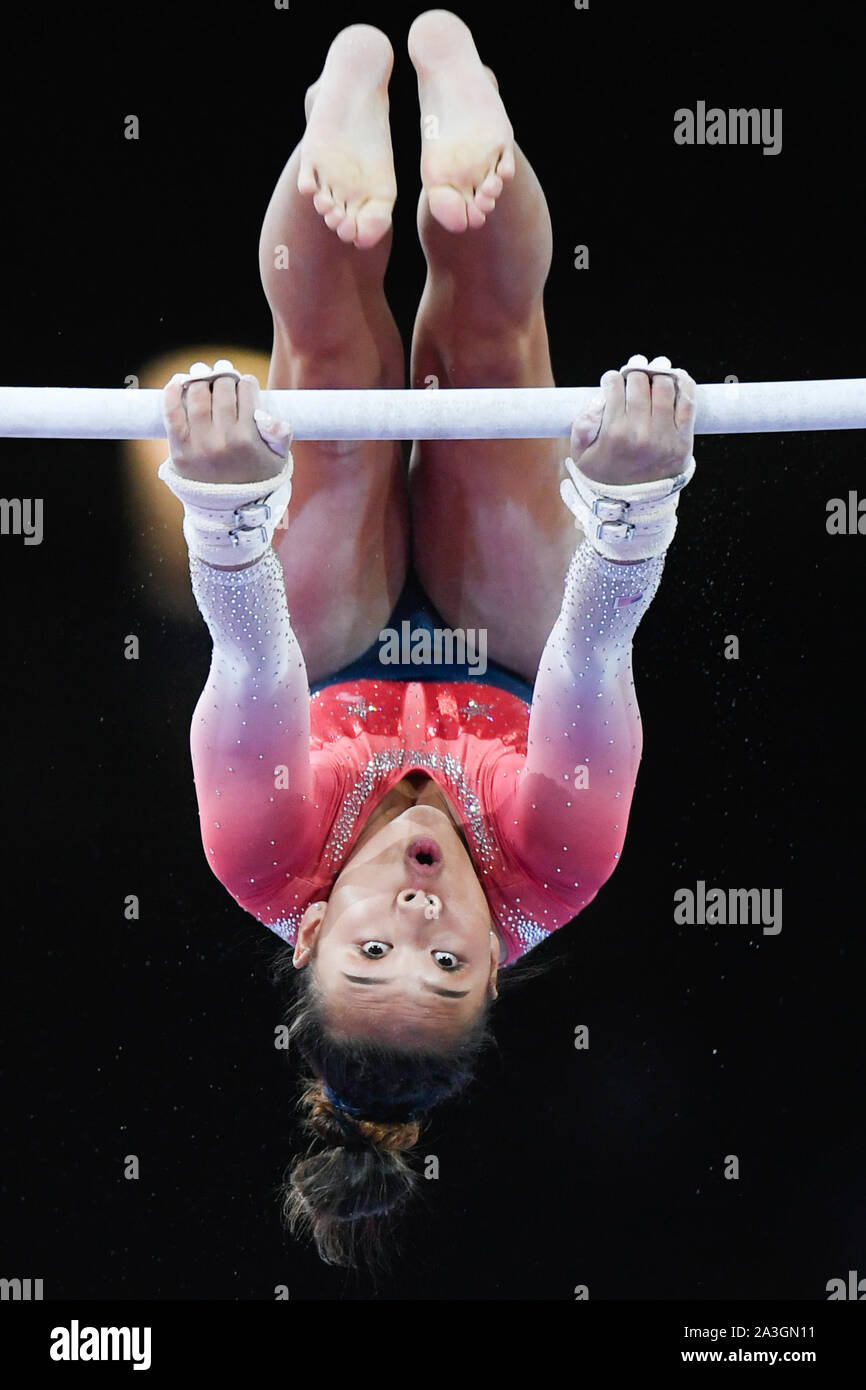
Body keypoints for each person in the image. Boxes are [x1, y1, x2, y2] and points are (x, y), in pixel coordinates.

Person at [156, 11, 697, 1271]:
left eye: (374, 947)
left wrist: (229, 499)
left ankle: (338, 95)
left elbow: (249, 658)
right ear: (498, 971)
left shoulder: (259, 855)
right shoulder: (557, 865)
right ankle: (464, 106)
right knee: (489, 366)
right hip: (505, 651)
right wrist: (628, 505)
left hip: (325, 656)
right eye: (446, 958)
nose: (415, 908)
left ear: (305, 932)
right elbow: (588, 653)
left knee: (331, 398)